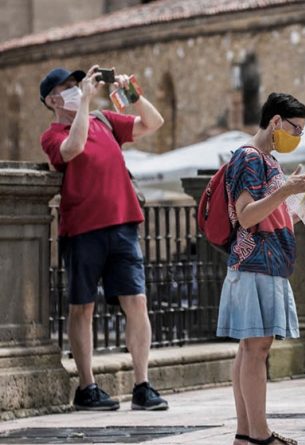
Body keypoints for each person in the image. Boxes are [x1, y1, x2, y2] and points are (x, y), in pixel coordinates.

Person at [40, 66, 168, 411]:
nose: (75, 88)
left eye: (77, 84)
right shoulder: (52, 135)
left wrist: (133, 95)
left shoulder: (104, 121)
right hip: (82, 230)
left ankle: (142, 385)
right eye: (67, 87)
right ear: (52, 100)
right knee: (82, 307)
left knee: (137, 302)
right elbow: (73, 147)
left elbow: (153, 122)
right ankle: (87, 387)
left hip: (123, 224)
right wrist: (83, 102)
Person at [217, 92, 305, 445]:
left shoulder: (268, 160)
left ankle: (246, 434)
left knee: (251, 348)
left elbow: (269, 218)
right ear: (275, 122)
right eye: (295, 128)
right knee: (257, 349)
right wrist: (285, 191)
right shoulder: (249, 157)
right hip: (256, 264)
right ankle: (259, 434)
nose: (297, 136)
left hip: (265, 262)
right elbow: (246, 216)